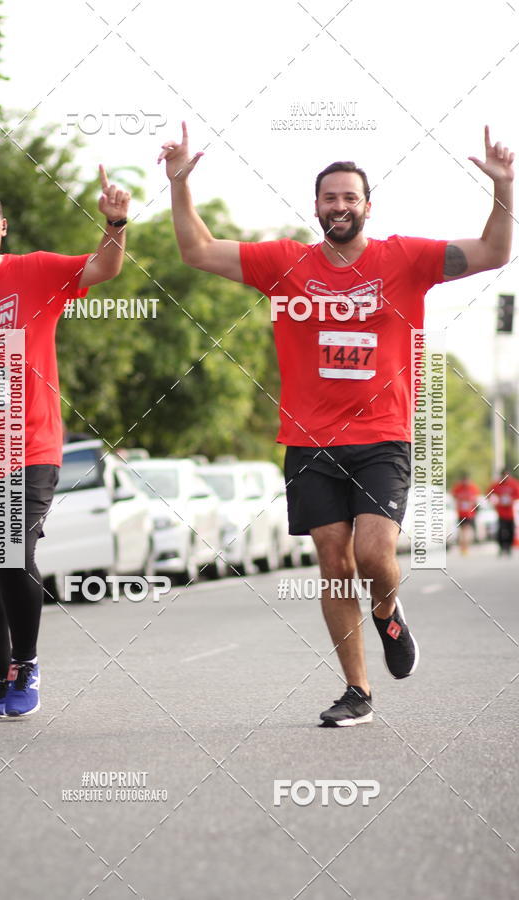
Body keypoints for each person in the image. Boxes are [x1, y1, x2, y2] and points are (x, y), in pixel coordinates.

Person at [159, 122, 514, 726]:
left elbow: (493, 253)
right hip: (309, 440)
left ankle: (388, 611)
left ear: (366, 205)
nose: (341, 206)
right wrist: (178, 186)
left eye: (351, 197)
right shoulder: (284, 262)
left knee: (375, 554)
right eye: (330, 198)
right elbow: (196, 250)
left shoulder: (405, 258)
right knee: (334, 560)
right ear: (316, 207)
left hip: (382, 434)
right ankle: (357, 690)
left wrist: (504, 189)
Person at [0, 167, 130, 717]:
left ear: (3, 227)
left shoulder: (35, 273)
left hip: (26, 444)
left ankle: (27, 664)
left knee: (12, 556)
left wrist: (114, 221)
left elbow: (105, 266)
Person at [488, 469, 519, 555]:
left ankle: (509, 547)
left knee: (511, 530)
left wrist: (511, 499)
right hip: (501, 512)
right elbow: (489, 493)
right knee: (500, 530)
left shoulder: (514, 484)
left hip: (511, 512)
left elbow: (517, 494)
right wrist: (494, 501)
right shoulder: (497, 484)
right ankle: (501, 547)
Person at [450, 473, 481, 554]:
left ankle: (465, 547)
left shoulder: (472, 487)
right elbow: (453, 496)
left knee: (466, 531)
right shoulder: (458, 487)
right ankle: (463, 548)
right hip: (461, 513)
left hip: (470, 514)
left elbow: (476, 498)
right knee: (463, 531)